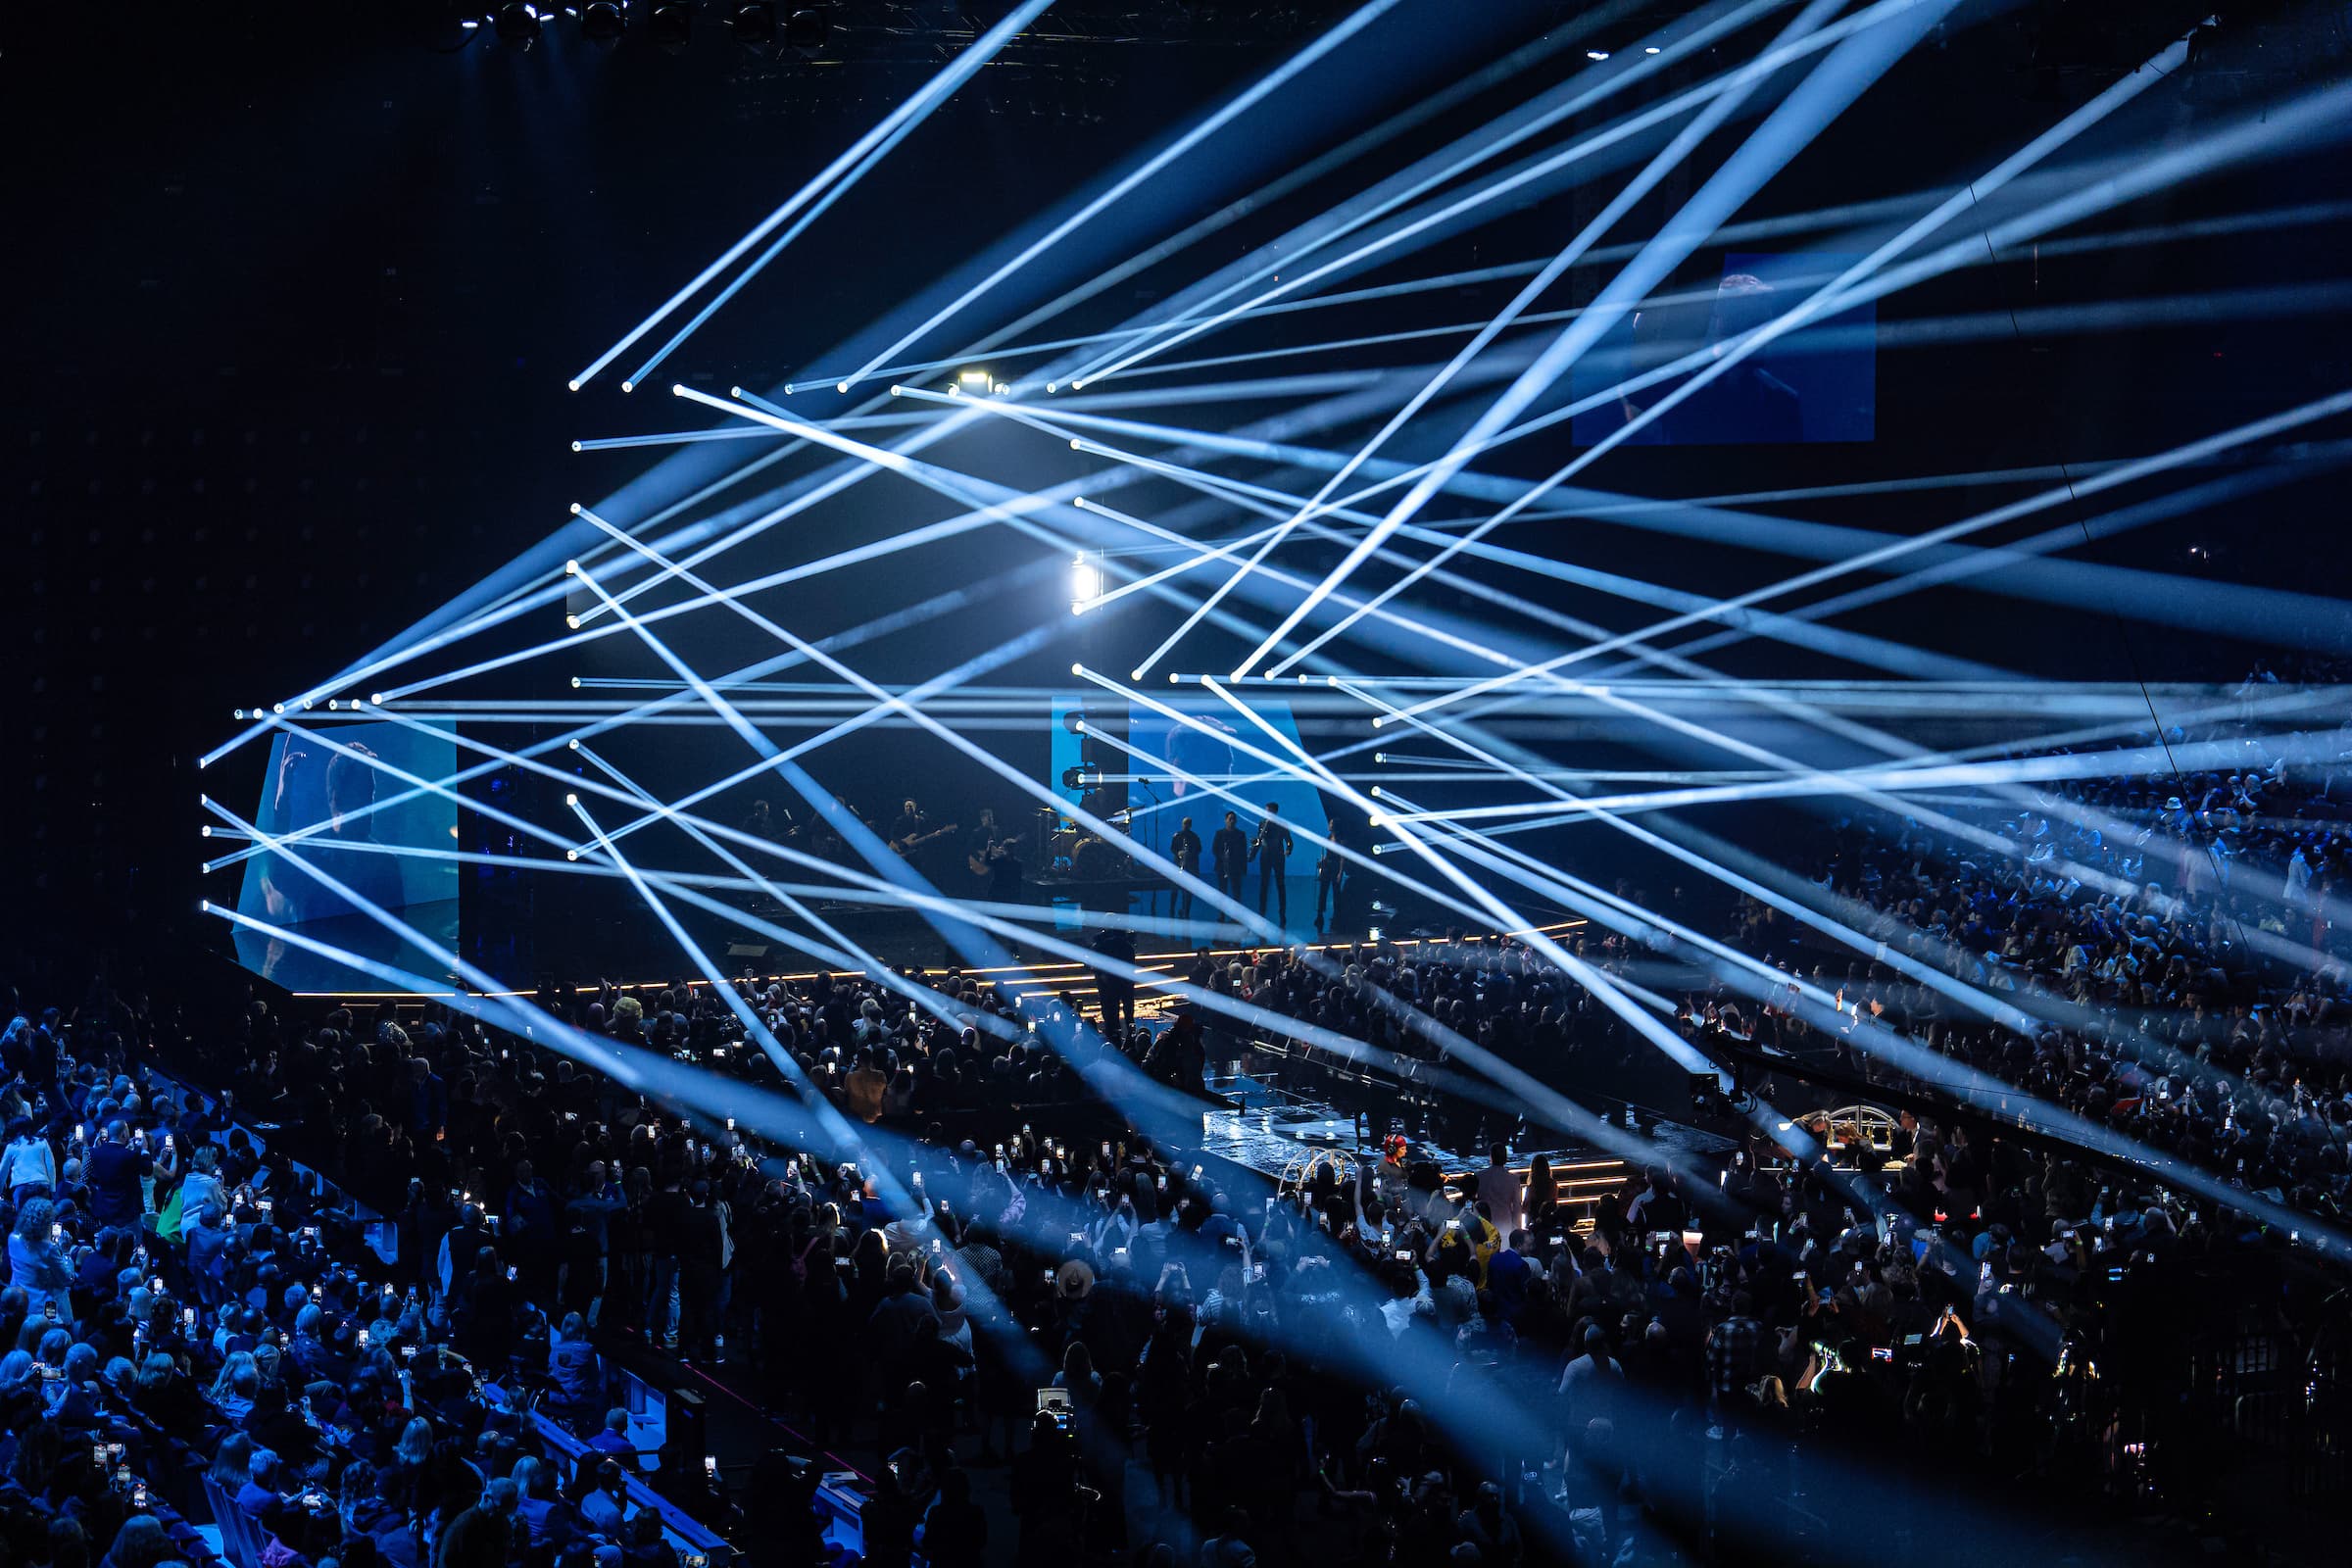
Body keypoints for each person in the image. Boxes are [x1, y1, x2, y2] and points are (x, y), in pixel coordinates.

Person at [1252, 803, 1294, 925]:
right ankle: (1262, 910)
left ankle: (1282, 912)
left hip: (1278, 857)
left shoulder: (1282, 824)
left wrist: (1288, 850)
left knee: (1280, 884)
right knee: (1264, 884)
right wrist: (1253, 853)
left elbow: (1289, 841)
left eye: (1269, 811)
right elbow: (1259, 840)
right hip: (1265, 856)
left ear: (1275, 812)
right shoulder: (1262, 823)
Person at [1314, 817, 1348, 930]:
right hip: (1327, 867)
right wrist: (1322, 862)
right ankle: (1320, 915)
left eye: (1331, 823)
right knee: (1323, 892)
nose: (1329, 825)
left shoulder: (1341, 840)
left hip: (1335, 868)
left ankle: (1337, 915)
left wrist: (1340, 872)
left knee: (1336, 893)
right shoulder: (1328, 838)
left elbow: (1342, 858)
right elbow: (1327, 854)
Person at [1168, 816, 1203, 923]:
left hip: (1190, 866)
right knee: (1175, 889)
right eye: (1185, 823)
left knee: (1187, 891)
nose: (1186, 826)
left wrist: (1189, 854)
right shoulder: (1177, 836)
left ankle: (1186, 911)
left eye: (1188, 824)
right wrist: (1178, 853)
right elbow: (1172, 848)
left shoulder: (1195, 837)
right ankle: (1172, 909)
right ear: (1182, 824)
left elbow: (1199, 849)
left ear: (1190, 825)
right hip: (1178, 865)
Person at [1211, 811, 1250, 906]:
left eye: (1233, 819)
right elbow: (1215, 849)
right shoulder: (1219, 833)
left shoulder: (1241, 834)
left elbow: (1243, 852)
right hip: (1222, 867)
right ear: (1226, 820)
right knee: (1222, 891)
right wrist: (1223, 857)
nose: (1232, 821)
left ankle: (1236, 916)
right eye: (1230, 819)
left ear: (1236, 821)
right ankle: (1222, 914)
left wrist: (1243, 868)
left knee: (1236, 892)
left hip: (1236, 867)